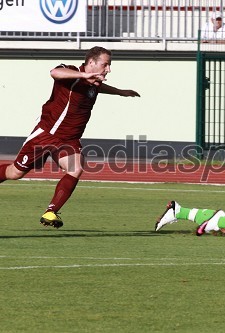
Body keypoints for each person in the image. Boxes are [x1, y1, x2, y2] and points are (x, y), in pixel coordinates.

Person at [0, 46, 140, 228]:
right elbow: (54, 72)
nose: (108, 69)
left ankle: (51, 211)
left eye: (109, 65)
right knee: (15, 173)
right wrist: (83, 76)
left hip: (68, 140)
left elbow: (98, 88)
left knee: (76, 167)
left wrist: (120, 92)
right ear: (91, 63)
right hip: (45, 135)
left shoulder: (94, 83)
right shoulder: (73, 73)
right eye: (105, 64)